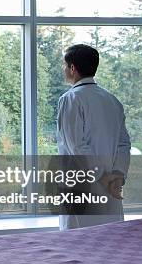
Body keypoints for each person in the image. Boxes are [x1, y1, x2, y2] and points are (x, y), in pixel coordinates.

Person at [56, 44, 131, 230]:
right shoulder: (112, 100)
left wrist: (103, 177)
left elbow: (77, 148)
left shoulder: (70, 99)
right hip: (111, 189)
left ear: (72, 68)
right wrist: (117, 176)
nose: (63, 69)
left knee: (78, 248)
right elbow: (124, 144)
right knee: (110, 244)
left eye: (64, 65)